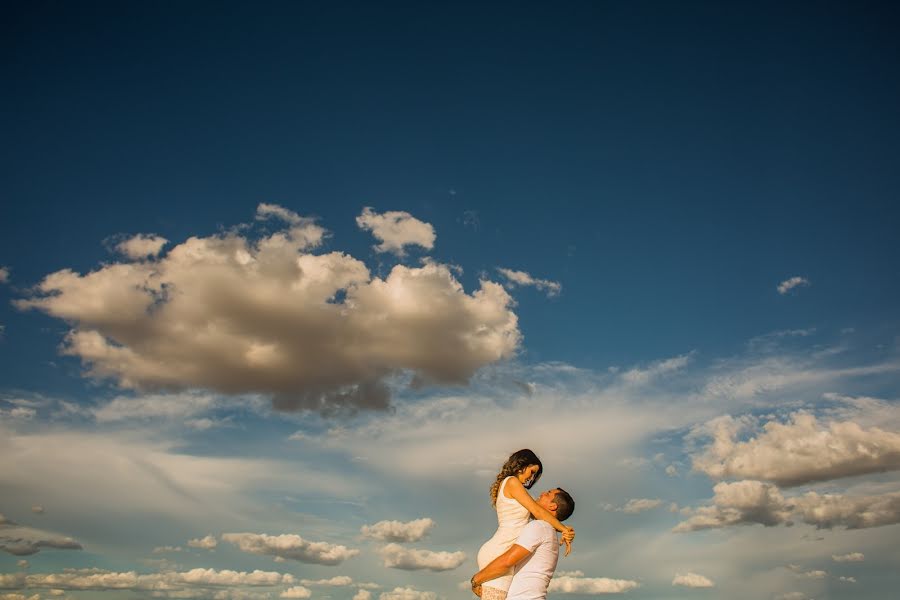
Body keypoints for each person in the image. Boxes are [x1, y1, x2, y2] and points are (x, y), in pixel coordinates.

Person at [475, 450, 575, 600]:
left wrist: (565, 531)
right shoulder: (512, 482)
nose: (532, 477)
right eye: (532, 471)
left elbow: (544, 518)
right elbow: (538, 511)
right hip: (500, 551)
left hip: (502, 549)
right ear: (521, 464)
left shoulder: (515, 489)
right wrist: (564, 529)